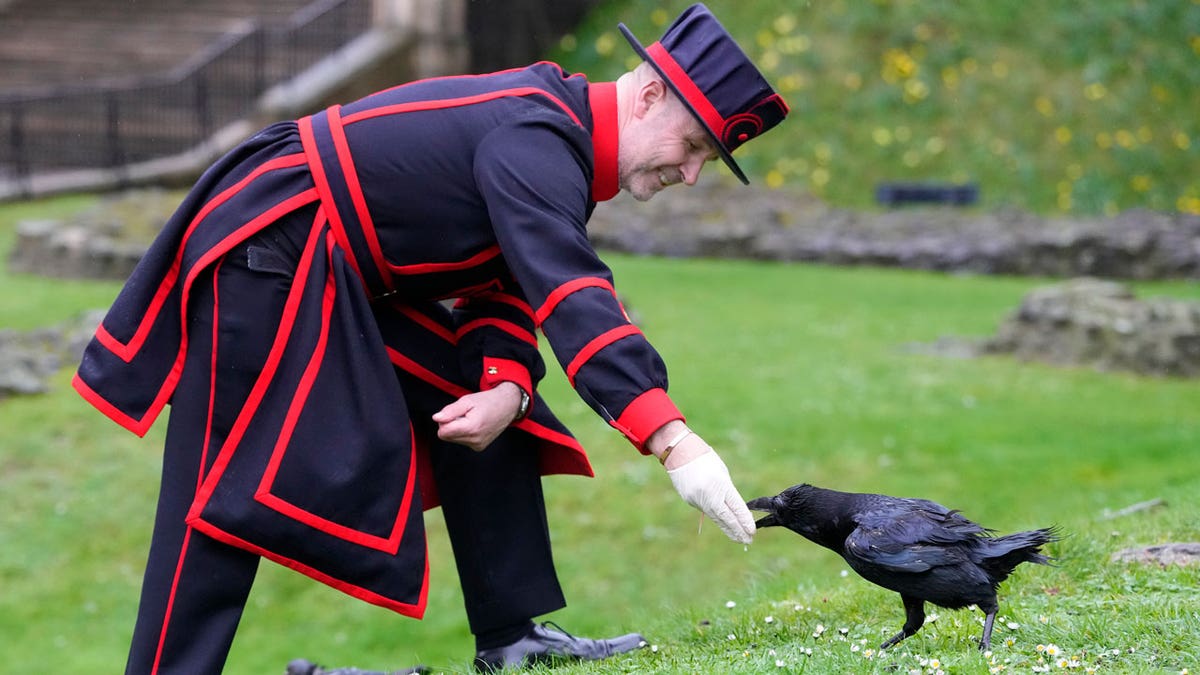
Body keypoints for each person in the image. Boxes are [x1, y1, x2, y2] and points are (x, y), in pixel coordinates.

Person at [72, 3, 789, 673]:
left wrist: (506, 383)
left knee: (487, 395)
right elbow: (573, 295)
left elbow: (503, 279)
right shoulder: (540, 137)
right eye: (693, 145)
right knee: (217, 491)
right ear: (650, 95)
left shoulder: (559, 137)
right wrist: (672, 439)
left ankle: (511, 638)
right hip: (263, 251)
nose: (691, 173)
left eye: (707, 158)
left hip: (328, 267)